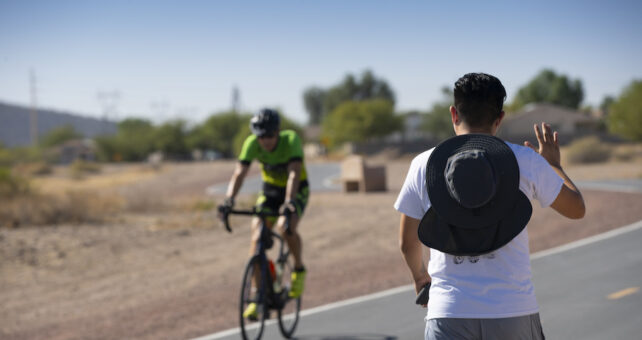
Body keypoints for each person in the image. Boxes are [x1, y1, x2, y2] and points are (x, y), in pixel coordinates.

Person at [394, 73, 585, 340]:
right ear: (500, 119)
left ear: (453, 114)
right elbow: (576, 209)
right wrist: (554, 165)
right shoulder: (525, 160)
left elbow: (407, 243)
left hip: (449, 312)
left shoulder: (424, 165)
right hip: (512, 310)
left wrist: (419, 277)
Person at [219, 108, 309, 319]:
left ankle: (298, 269)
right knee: (256, 239)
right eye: (261, 136)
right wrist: (229, 200)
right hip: (269, 191)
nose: (265, 141)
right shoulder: (252, 143)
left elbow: (294, 173)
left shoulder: (291, 140)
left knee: (285, 228)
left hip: (295, 190)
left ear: (277, 132)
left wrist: (288, 202)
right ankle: (257, 296)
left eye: (269, 135)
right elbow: (239, 172)